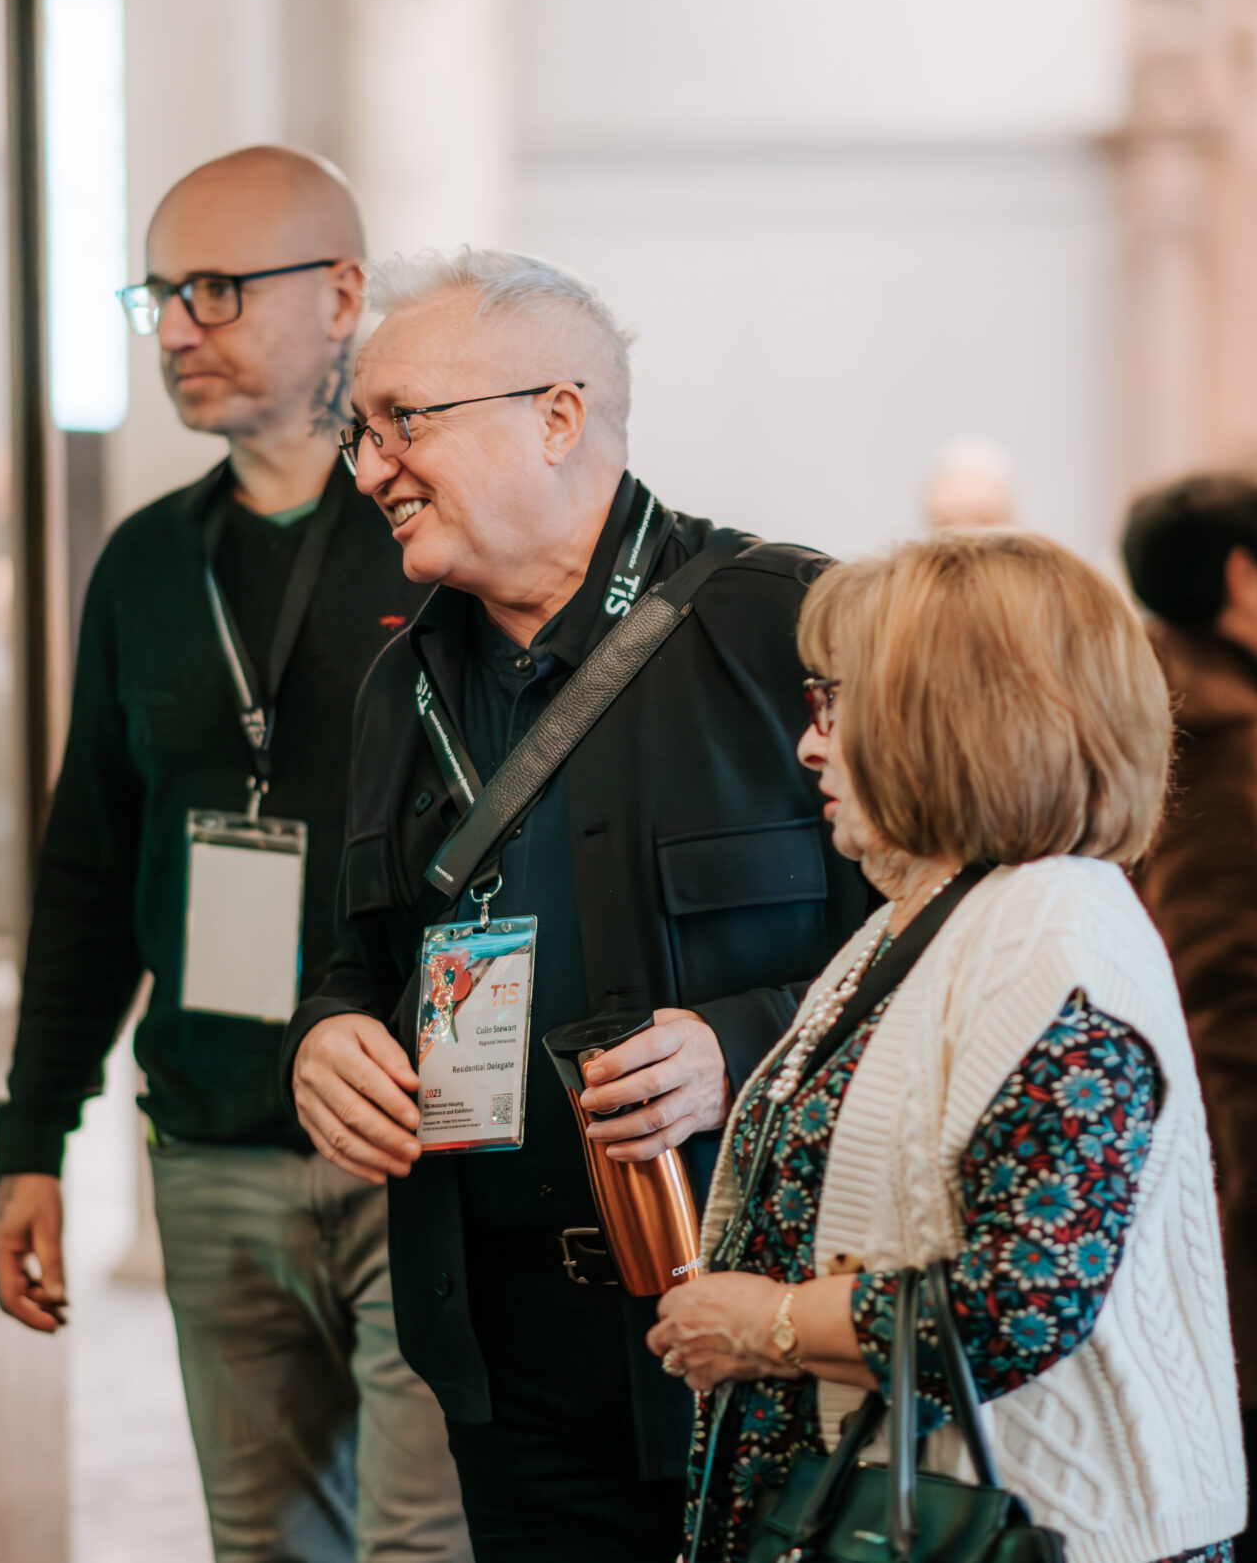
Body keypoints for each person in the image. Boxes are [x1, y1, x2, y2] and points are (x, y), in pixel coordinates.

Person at [285, 247, 868, 1561]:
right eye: (358, 431)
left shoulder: (796, 625)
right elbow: (350, 960)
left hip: (762, 1328)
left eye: (402, 423)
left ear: (557, 415)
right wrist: (324, 1039)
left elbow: (927, 955)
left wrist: (742, 1042)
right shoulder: (400, 686)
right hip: (503, 1350)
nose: (367, 468)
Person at [0, 146, 468, 1562]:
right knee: (261, 1547)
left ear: (342, 296)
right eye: (159, 295)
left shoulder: (436, 541)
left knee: (420, 1547)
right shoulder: (147, 561)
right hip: (207, 1147)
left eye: (213, 290)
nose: (178, 328)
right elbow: (90, 868)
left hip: (415, 1138)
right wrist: (33, 1141)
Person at [650, 529, 1247, 1562]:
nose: (808, 745)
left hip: (1035, 1525)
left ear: (948, 722)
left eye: (835, 705)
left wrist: (771, 1323)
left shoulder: (1056, 932)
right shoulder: (926, 911)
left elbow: (1023, 1295)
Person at [1121, 474, 1257, 1563]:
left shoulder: (1208, 700)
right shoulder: (1225, 729)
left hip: (1233, 1179)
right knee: (1255, 1489)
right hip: (1248, 1196)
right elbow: (1225, 979)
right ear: (1241, 574)